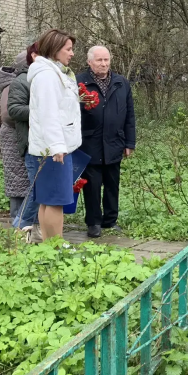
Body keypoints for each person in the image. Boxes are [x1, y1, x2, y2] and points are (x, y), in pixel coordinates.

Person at [27, 29, 82, 241]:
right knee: (55, 200)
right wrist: (57, 146)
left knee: (47, 200)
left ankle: (49, 247)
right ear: (55, 49)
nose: (72, 53)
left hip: (50, 148)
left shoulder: (54, 73)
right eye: (68, 49)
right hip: (53, 151)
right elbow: (48, 114)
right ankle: (56, 248)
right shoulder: (48, 76)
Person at [77, 46, 136, 238]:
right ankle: (93, 222)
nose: (103, 64)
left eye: (106, 60)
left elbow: (129, 116)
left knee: (112, 183)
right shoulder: (79, 83)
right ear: (89, 62)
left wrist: (130, 142)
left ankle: (110, 220)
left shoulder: (121, 83)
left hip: (114, 141)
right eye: (99, 60)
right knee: (92, 185)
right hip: (89, 141)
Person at [7, 42, 42, 242]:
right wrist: (41, 109)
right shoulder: (22, 81)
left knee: (41, 188)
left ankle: (35, 231)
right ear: (35, 56)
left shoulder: (46, 78)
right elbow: (13, 110)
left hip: (47, 143)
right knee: (36, 188)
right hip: (31, 143)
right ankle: (20, 225)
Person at [0, 50, 32, 222]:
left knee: (24, 181)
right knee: (18, 182)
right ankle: (17, 220)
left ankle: (24, 220)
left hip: (22, 136)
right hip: (13, 138)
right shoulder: (12, 85)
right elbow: (8, 115)